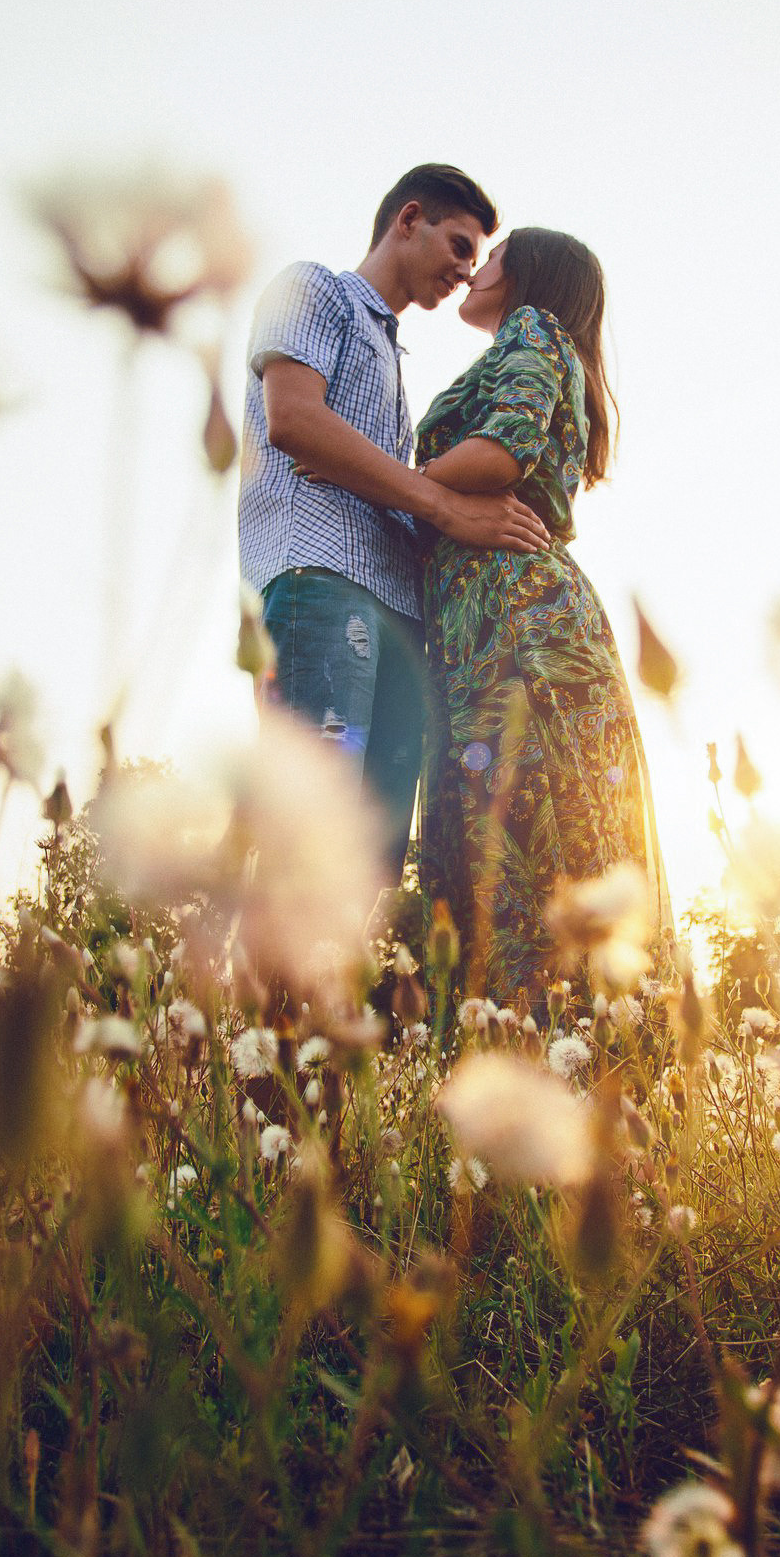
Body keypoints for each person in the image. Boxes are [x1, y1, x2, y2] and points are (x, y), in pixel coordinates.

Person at [240, 164, 553, 885]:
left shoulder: (395, 358)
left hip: (400, 615)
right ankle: (280, 999)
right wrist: (445, 505)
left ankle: (342, 999)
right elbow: (294, 417)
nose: (465, 270)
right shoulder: (313, 288)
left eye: (476, 257)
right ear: (408, 219)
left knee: (376, 861)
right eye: (459, 244)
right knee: (311, 838)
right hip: (322, 587)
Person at [412, 228, 669, 1008]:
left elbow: (501, 449)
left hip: (515, 624)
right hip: (514, 619)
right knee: (548, 831)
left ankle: (542, 1052)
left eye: (488, 259)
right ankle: (586, 1061)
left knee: (521, 836)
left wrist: (398, 481)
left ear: (522, 275)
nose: (472, 272)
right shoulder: (551, 348)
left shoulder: (533, 330)